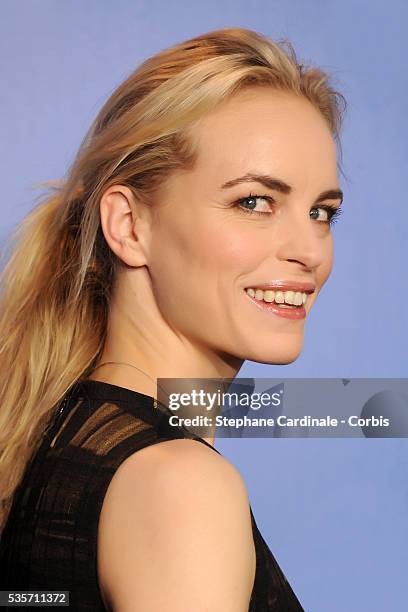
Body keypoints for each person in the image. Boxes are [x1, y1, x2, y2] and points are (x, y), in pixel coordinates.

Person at [0, 27, 346, 610]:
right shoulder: (180, 486)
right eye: (254, 202)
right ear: (130, 226)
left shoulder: (52, 438)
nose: (309, 249)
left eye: (320, 211)